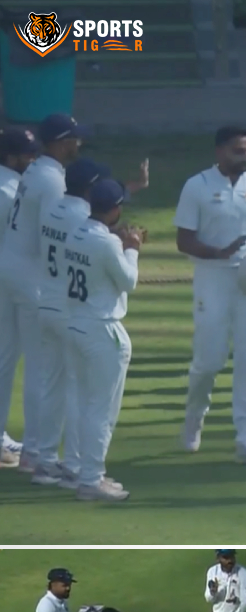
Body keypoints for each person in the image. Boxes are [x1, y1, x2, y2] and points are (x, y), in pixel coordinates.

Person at [174, 126, 246, 465]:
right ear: (219, 152)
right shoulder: (196, 186)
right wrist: (217, 253)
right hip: (211, 277)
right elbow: (183, 240)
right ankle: (194, 418)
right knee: (210, 361)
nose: (243, 158)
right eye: (236, 151)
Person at [0, 114, 83, 474]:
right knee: (41, 365)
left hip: (8, 266)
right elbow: (53, 235)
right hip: (30, 275)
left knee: (5, 358)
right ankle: (35, 452)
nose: (78, 144)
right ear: (62, 142)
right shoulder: (50, 178)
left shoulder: (34, 173)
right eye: (75, 139)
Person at [64, 178, 142, 502]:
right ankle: (91, 479)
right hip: (102, 328)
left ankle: (87, 472)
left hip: (76, 323)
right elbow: (129, 281)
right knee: (101, 408)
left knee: (86, 404)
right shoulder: (107, 243)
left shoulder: (75, 233)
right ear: (114, 209)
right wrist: (133, 249)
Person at [32, 158, 107, 489]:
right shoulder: (82, 218)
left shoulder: (52, 209)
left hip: (44, 300)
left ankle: (45, 461)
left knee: (52, 385)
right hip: (68, 307)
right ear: (91, 188)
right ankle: (75, 464)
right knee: (80, 389)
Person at [0, 127, 39, 467]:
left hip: (8, 281)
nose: (33, 159)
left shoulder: (13, 186)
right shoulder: (7, 191)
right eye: (27, 154)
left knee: (6, 357)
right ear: (11, 156)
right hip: (5, 281)